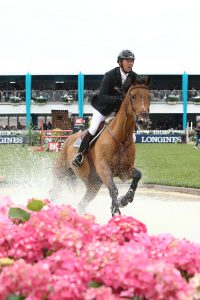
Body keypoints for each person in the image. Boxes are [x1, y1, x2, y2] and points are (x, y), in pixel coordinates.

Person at [72, 49, 137, 167]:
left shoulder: (134, 77)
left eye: (132, 61)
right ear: (120, 62)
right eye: (127, 60)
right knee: (93, 129)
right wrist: (118, 100)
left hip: (118, 112)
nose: (130, 63)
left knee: (132, 136)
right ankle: (80, 155)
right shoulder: (110, 75)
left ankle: (124, 161)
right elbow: (102, 96)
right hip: (103, 109)